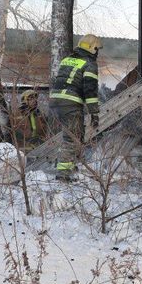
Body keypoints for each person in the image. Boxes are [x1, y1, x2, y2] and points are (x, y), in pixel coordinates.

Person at [49, 34, 103, 178]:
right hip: (70, 102)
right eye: (97, 49)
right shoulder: (89, 64)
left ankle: (69, 165)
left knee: (74, 133)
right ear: (92, 48)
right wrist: (94, 113)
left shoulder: (67, 59)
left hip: (55, 101)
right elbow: (90, 90)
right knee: (71, 138)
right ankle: (64, 173)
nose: (98, 52)